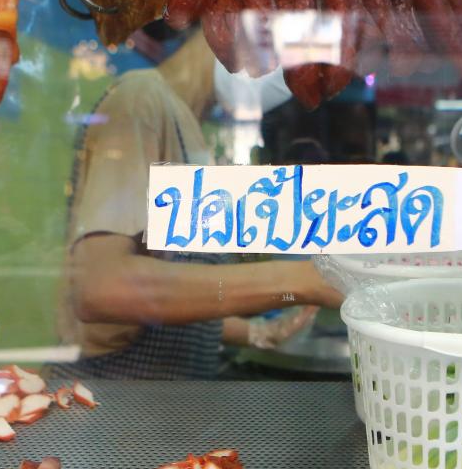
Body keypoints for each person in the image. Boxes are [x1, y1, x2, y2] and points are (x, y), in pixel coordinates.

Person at [50, 26, 343, 381]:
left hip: (166, 411)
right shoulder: (141, 99)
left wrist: (252, 332)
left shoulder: (190, 130)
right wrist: (303, 279)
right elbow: (101, 287)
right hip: (108, 406)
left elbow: (162, 302)